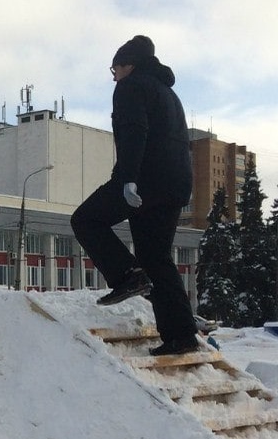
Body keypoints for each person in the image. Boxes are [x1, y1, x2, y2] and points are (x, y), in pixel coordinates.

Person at [71, 35, 200, 357]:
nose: (113, 76)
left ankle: (127, 275)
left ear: (128, 65)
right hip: (175, 185)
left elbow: (133, 132)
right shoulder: (169, 94)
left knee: (86, 219)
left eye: (114, 69)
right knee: (156, 257)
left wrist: (128, 180)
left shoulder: (131, 87)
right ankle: (181, 335)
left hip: (144, 179)